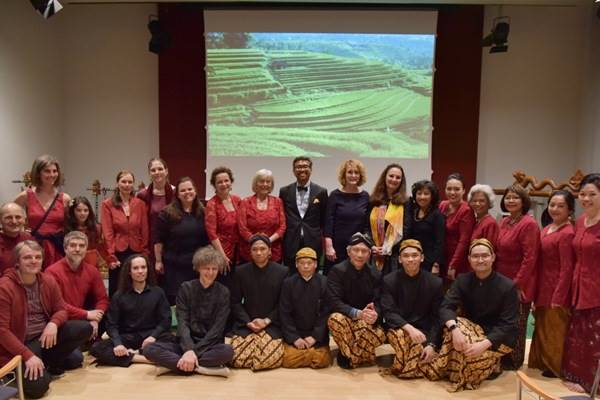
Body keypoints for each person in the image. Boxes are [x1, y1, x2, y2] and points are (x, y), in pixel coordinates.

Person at [0, 240, 92, 399]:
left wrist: (53, 324)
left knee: (85, 328)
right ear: (17, 262)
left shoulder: (47, 280)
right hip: (20, 344)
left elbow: (61, 309)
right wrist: (27, 355)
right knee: (38, 389)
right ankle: (25, 369)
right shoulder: (5, 287)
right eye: (27, 257)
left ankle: (45, 363)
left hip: (44, 337)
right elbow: (2, 330)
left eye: (38, 257)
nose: (34, 261)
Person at [426, 239, 518, 392]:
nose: (480, 260)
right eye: (475, 256)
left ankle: (495, 360)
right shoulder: (463, 280)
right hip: (471, 331)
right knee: (454, 325)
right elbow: (446, 307)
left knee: (470, 370)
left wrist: (483, 345)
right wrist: (455, 330)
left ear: (493, 257)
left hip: (497, 338)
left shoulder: (508, 286)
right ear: (469, 259)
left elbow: (508, 325)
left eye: (485, 256)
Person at [144, 246, 234, 377]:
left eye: (214, 269)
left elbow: (217, 330)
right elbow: (183, 323)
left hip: (209, 345)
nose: (210, 272)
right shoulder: (186, 288)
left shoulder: (223, 292)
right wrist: (188, 349)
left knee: (228, 351)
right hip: (184, 343)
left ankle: (177, 366)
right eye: (206, 268)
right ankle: (200, 368)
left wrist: (193, 353)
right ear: (198, 268)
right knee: (149, 349)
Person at [90, 254, 172, 367]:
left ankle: (132, 355)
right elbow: (111, 324)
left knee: (174, 341)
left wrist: (153, 336)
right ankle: (142, 358)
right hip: (128, 337)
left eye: (143, 267)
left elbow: (165, 320)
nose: (140, 271)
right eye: (136, 268)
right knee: (97, 348)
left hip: (151, 336)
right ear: (129, 272)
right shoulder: (119, 296)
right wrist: (118, 344)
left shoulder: (158, 292)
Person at [46, 231, 110, 368]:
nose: (77, 249)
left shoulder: (91, 270)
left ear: (86, 249)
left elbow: (102, 298)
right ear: (65, 248)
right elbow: (57, 305)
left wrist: (95, 318)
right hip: (60, 322)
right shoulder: (52, 272)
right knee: (75, 360)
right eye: (73, 245)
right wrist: (86, 314)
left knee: (109, 310)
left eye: (81, 246)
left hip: (80, 321)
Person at [528, 190, 575, 378]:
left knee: (556, 330)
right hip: (542, 285)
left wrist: (559, 295)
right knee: (542, 327)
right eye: (552, 204)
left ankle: (555, 366)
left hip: (556, 287)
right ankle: (542, 361)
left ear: (570, 210)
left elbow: (567, 268)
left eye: (560, 206)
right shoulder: (546, 228)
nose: (554, 209)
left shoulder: (568, 233)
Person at [381, 239, 443, 378]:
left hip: (424, 332)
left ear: (422, 258)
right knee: (411, 356)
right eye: (406, 256)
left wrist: (432, 344)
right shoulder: (389, 280)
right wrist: (409, 328)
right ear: (400, 259)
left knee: (435, 370)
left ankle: (412, 361)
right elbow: (388, 312)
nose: (410, 259)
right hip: (399, 328)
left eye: (414, 255)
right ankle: (410, 364)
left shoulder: (435, 283)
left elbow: (436, 318)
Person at [562, 173, 600, 394]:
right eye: (582, 194)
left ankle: (591, 383)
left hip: (597, 288)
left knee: (595, 338)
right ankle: (578, 377)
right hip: (579, 287)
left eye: (592, 194)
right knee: (580, 335)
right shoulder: (579, 222)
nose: (586, 199)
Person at [496, 184, 540, 370]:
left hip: (519, 283)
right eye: (508, 197)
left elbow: (530, 258)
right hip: (501, 280)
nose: (511, 200)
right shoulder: (505, 222)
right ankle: (501, 357)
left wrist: (517, 284)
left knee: (517, 323)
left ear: (524, 201)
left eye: (515, 197)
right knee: (503, 321)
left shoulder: (529, 224)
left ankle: (514, 360)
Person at [230, 235, 288, 371]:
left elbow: (284, 304)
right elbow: (235, 302)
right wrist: (247, 321)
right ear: (250, 252)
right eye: (255, 249)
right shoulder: (241, 271)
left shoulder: (282, 272)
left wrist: (267, 321)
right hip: (248, 323)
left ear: (270, 251)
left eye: (263, 249)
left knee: (268, 359)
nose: (259, 252)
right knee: (235, 359)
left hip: (272, 323)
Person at [327, 232, 385, 369]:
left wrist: (375, 313)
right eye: (356, 250)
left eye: (364, 251)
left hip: (365, 321)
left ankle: (349, 355)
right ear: (348, 252)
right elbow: (334, 301)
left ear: (369, 254)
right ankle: (359, 356)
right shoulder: (337, 271)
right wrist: (357, 313)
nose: (360, 255)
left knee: (380, 334)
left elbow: (381, 302)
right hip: (346, 317)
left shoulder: (375, 274)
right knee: (335, 319)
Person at [155, 177, 209, 305]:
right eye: (183, 190)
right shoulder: (167, 213)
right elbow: (158, 240)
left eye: (190, 189)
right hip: (174, 265)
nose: (187, 192)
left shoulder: (203, 211)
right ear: (178, 194)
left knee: (196, 300)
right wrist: (158, 261)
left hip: (196, 265)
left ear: (195, 191)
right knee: (177, 301)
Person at [15, 155, 71, 269]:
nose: (52, 175)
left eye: (55, 171)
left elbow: (70, 225)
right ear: (38, 173)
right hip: (34, 247)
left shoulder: (65, 198)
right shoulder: (26, 196)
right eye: (47, 171)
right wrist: (21, 230)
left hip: (57, 248)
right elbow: (8, 214)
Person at [280, 247, 331, 369]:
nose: (306, 266)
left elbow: (326, 313)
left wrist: (314, 337)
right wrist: (295, 338)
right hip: (296, 334)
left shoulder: (324, 282)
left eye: (309, 263)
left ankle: (304, 355)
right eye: (302, 263)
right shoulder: (288, 283)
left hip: (316, 337)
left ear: (316, 264)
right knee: (287, 360)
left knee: (322, 361)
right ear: (297, 264)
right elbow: (284, 313)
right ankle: (309, 355)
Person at [101, 170, 149, 297]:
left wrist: (144, 252)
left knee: (136, 286)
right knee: (118, 288)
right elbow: (108, 232)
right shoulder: (107, 204)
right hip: (118, 252)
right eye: (123, 181)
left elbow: (144, 230)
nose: (127, 185)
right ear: (117, 184)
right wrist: (111, 255)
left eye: (130, 182)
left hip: (136, 250)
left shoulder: (140, 204)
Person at [279, 157, 328, 269]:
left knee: (312, 275)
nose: (302, 169)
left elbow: (324, 219)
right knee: (290, 275)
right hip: (291, 241)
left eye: (305, 166)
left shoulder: (321, 191)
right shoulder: (284, 191)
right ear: (293, 170)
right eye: (298, 167)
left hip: (313, 240)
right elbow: (282, 216)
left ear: (311, 169)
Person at [324, 160, 369, 274]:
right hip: (337, 248)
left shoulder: (365, 196)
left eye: (356, 172)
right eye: (350, 172)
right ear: (344, 175)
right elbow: (328, 222)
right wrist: (329, 247)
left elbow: (367, 224)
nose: (353, 175)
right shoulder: (335, 195)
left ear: (360, 175)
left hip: (358, 249)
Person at [367, 163, 410, 275]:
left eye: (398, 177)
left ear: (401, 181)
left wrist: (388, 247)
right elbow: (366, 227)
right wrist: (372, 245)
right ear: (385, 177)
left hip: (394, 256)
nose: (394, 179)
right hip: (374, 253)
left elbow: (406, 229)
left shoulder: (406, 202)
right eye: (391, 176)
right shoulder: (373, 200)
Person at [238, 169, 286, 264]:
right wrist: (257, 243)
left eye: (268, 182)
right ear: (256, 184)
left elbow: (282, 227)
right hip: (250, 251)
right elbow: (242, 228)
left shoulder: (278, 201)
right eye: (261, 181)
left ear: (271, 185)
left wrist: (268, 241)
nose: (265, 184)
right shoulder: (245, 202)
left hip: (273, 251)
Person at [205, 166, 242, 287]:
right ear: (214, 185)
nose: (224, 184)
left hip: (239, 251)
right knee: (224, 286)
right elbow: (211, 233)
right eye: (219, 182)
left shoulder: (237, 200)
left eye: (226, 180)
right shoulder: (212, 204)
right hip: (222, 253)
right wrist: (222, 255)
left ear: (231, 182)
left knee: (237, 286)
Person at [439, 173, 475, 280]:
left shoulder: (466, 210)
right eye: (449, 189)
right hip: (442, 257)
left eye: (457, 189)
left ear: (464, 190)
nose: (452, 192)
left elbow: (464, 241)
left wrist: (453, 264)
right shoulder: (442, 205)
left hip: (457, 259)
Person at [404, 180, 445, 274]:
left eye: (426, 194)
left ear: (432, 196)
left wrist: (436, 264)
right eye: (419, 193)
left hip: (429, 262)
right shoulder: (413, 211)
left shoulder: (437, 215)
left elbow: (440, 242)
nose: (422, 197)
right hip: (413, 259)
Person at [136, 158, 176, 249]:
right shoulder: (142, 195)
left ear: (166, 171)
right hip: (151, 243)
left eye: (160, 169)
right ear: (149, 174)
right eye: (153, 170)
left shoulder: (176, 193)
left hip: (173, 242)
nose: (157, 172)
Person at [63, 196, 109, 270]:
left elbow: (101, 248)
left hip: (91, 263)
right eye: (79, 210)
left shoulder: (97, 228)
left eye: (86, 210)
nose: (82, 213)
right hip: (72, 261)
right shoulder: (66, 228)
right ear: (72, 211)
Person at [0, 202, 32, 274]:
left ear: (24, 220)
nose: (14, 221)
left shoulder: (28, 238)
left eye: (18, 217)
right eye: (8, 217)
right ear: (0, 220)